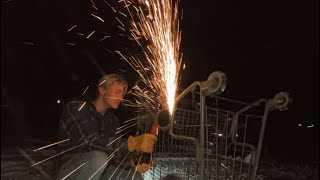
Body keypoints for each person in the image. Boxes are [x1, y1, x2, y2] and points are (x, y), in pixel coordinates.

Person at [56, 74, 158, 180]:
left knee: (134, 176)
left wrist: (132, 161)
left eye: (122, 94)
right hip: (69, 170)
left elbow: (114, 155)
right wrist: (131, 143)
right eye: (117, 92)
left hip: (100, 169)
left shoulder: (112, 121)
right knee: (98, 158)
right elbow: (90, 142)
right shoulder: (77, 108)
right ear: (102, 90)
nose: (120, 98)